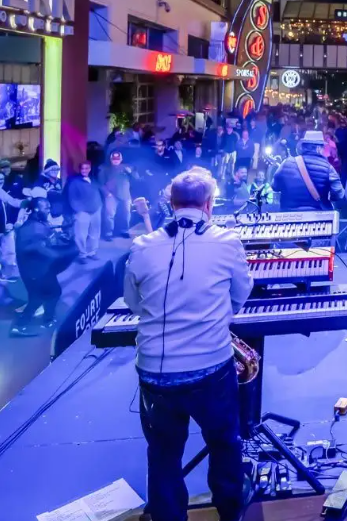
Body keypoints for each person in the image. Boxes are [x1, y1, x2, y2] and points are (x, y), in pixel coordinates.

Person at [124, 168, 253, 521]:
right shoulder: (227, 242)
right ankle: (230, 512)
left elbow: (134, 304)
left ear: (171, 203)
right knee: (224, 442)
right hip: (211, 369)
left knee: (163, 453)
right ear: (209, 204)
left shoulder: (142, 246)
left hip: (155, 373)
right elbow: (240, 294)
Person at [9, 197, 78, 337]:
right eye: (46, 208)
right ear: (36, 209)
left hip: (40, 268)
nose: (48, 210)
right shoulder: (31, 228)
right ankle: (24, 325)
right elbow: (45, 251)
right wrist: (68, 251)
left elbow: (49, 240)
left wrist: (63, 237)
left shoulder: (38, 223)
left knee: (47, 294)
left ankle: (46, 320)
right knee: (44, 296)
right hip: (35, 271)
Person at [272, 130, 345, 211]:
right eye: (322, 148)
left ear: (303, 147)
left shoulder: (287, 162)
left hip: (289, 215)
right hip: (318, 216)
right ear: (318, 148)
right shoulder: (328, 168)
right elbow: (339, 193)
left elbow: (275, 187)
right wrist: (327, 197)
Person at [66, 160, 103, 261]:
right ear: (80, 169)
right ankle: (82, 254)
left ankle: (92, 253)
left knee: (94, 233)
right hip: (82, 212)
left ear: (90, 169)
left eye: (86, 168)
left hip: (96, 210)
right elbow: (72, 198)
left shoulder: (93, 180)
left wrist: (99, 205)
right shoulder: (74, 182)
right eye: (82, 168)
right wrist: (78, 210)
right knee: (81, 235)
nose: (84, 170)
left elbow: (99, 192)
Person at [100, 151, 132, 240]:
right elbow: (100, 183)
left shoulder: (127, 167)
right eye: (114, 159)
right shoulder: (105, 169)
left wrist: (130, 172)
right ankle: (108, 233)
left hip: (125, 195)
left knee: (126, 214)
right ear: (110, 159)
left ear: (121, 159)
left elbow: (136, 178)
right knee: (109, 215)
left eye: (118, 159)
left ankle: (124, 231)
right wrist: (107, 193)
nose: (116, 160)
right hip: (111, 195)